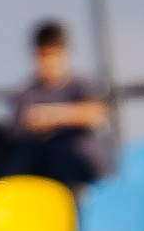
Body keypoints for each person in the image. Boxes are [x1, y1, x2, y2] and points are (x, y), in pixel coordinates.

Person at [9, 20, 112, 188]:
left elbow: (97, 114)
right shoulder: (25, 93)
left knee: (66, 153)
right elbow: (22, 127)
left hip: (82, 173)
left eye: (53, 54)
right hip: (42, 171)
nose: (49, 62)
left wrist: (52, 116)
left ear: (64, 54)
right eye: (43, 55)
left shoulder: (82, 85)